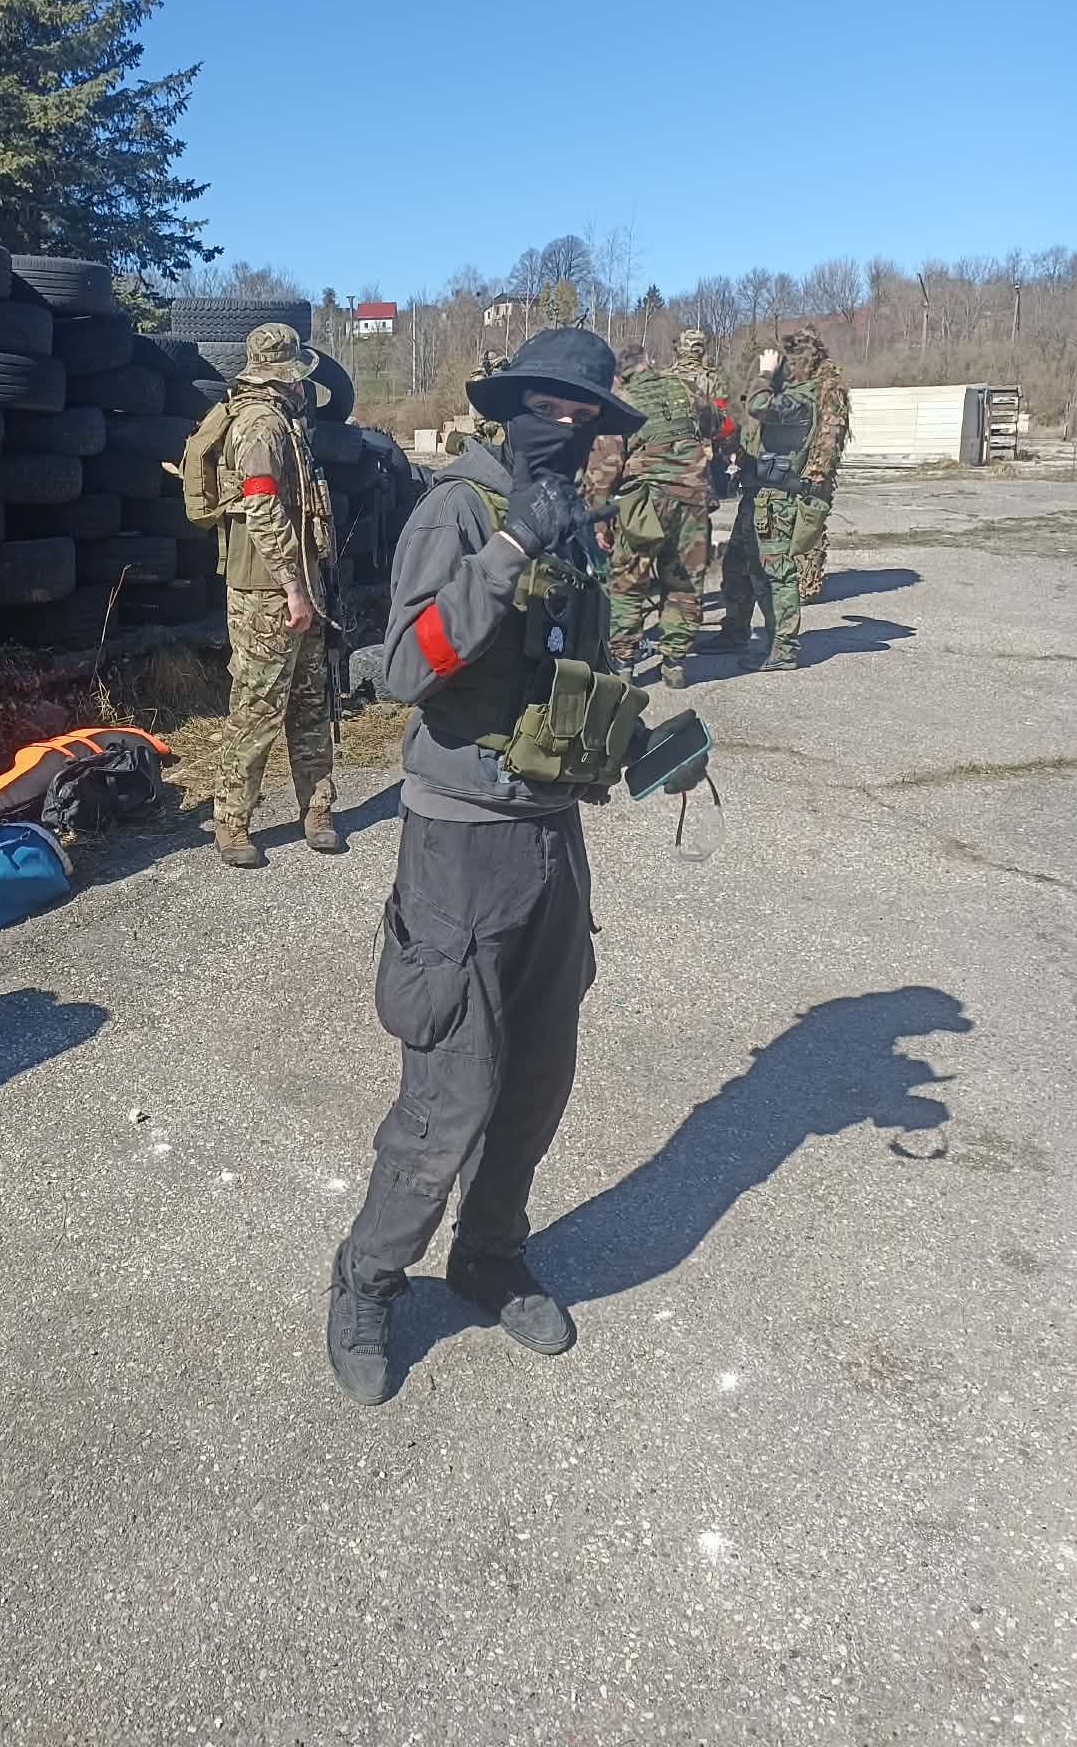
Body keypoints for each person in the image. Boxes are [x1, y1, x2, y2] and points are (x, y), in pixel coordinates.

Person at [326, 328, 707, 1405]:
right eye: (550, 406)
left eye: (587, 414)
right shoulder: (459, 509)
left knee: (537, 1074)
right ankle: (366, 1278)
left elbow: (570, 670)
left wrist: (635, 744)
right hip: (458, 841)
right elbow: (409, 669)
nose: (570, 426)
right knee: (451, 1090)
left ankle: (487, 1255)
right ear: (510, 406)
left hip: (550, 833)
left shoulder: (571, 517)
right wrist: (502, 554)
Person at [211, 322, 339, 867]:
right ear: (284, 376)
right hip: (269, 591)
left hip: (300, 583)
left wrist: (307, 585)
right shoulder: (260, 426)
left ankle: (317, 808)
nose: (303, 385)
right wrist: (292, 588)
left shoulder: (284, 421)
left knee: (310, 700)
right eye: (298, 376)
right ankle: (232, 820)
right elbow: (261, 508)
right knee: (258, 705)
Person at [586, 341, 719, 689]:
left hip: (645, 504)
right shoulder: (685, 387)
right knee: (684, 581)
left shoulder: (620, 401)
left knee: (629, 582)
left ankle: (624, 666)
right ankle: (675, 664)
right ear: (650, 362)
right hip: (693, 498)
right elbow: (714, 423)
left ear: (619, 374)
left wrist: (600, 521)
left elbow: (604, 469)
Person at [703, 338, 822, 669]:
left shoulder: (802, 400)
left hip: (776, 501)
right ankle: (735, 631)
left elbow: (758, 405)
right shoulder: (784, 397)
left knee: (775, 573)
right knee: (736, 565)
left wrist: (766, 373)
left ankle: (783, 647)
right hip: (756, 495)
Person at [791, 331, 851, 602]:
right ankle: (790, 578)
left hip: (815, 472)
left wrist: (817, 472)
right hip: (796, 468)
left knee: (810, 526)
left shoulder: (829, 385)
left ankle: (806, 584)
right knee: (793, 526)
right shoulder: (801, 383)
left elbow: (832, 432)